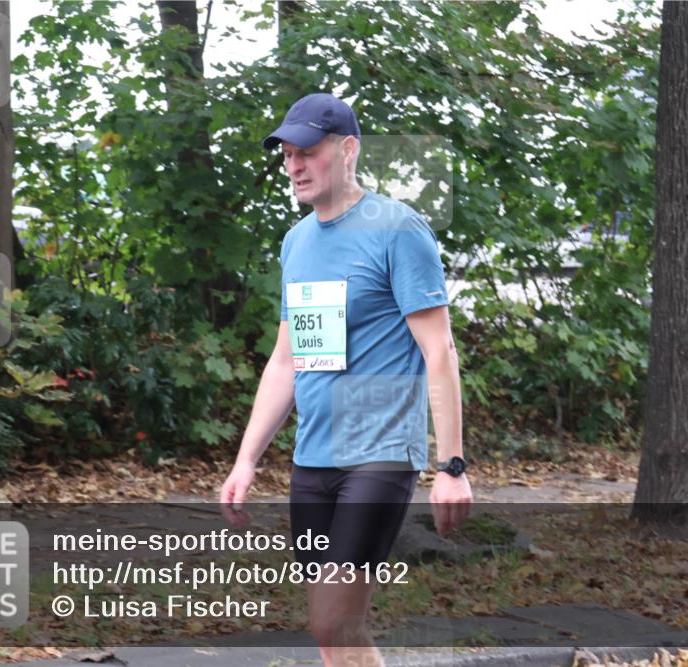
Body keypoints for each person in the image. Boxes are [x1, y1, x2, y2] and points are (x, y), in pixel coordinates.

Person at [220, 93, 472, 667]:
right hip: (314, 458)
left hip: (379, 454)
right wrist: (246, 459)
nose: (294, 165)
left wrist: (451, 466)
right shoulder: (297, 241)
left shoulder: (397, 230)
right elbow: (288, 359)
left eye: (307, 151)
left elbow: (440, 350)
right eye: (287, 154)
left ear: (349, 149)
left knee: (333, 620)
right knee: (329, 630)